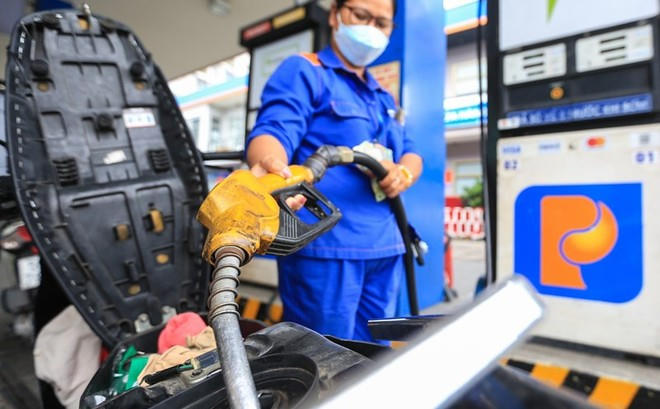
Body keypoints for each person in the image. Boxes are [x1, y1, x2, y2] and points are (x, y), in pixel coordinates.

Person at [246, 0, 422, 343]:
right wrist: (269, 165)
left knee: (375, 357)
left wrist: (404, 174)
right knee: (325, 358)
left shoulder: (383, 97)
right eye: (361, 15)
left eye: (382, 23)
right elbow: (274, 130)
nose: (371, 28)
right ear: (335, 15)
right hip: (327, 251)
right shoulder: (306, 71)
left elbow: (412, 151)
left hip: (385, 247)